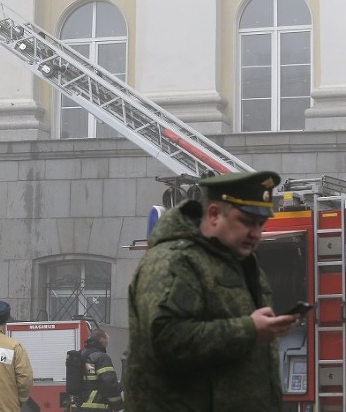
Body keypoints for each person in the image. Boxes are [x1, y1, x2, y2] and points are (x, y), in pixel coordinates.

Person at [125, 170, 301, 412]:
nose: (256, 233)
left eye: (261, 224)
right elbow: (166, 340)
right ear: (214, 214)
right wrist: (249, 329)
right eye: (247, 222)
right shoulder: (173, 261)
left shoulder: (243, 265)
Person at [77, 329, 123, 412]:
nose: (107, 343)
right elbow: (109, 384)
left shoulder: (82, 356)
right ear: (102, 339)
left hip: (79, 405)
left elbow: (89, 379)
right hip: (97, 406)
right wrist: (118, 406)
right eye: (106, 341)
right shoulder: (101, 357)